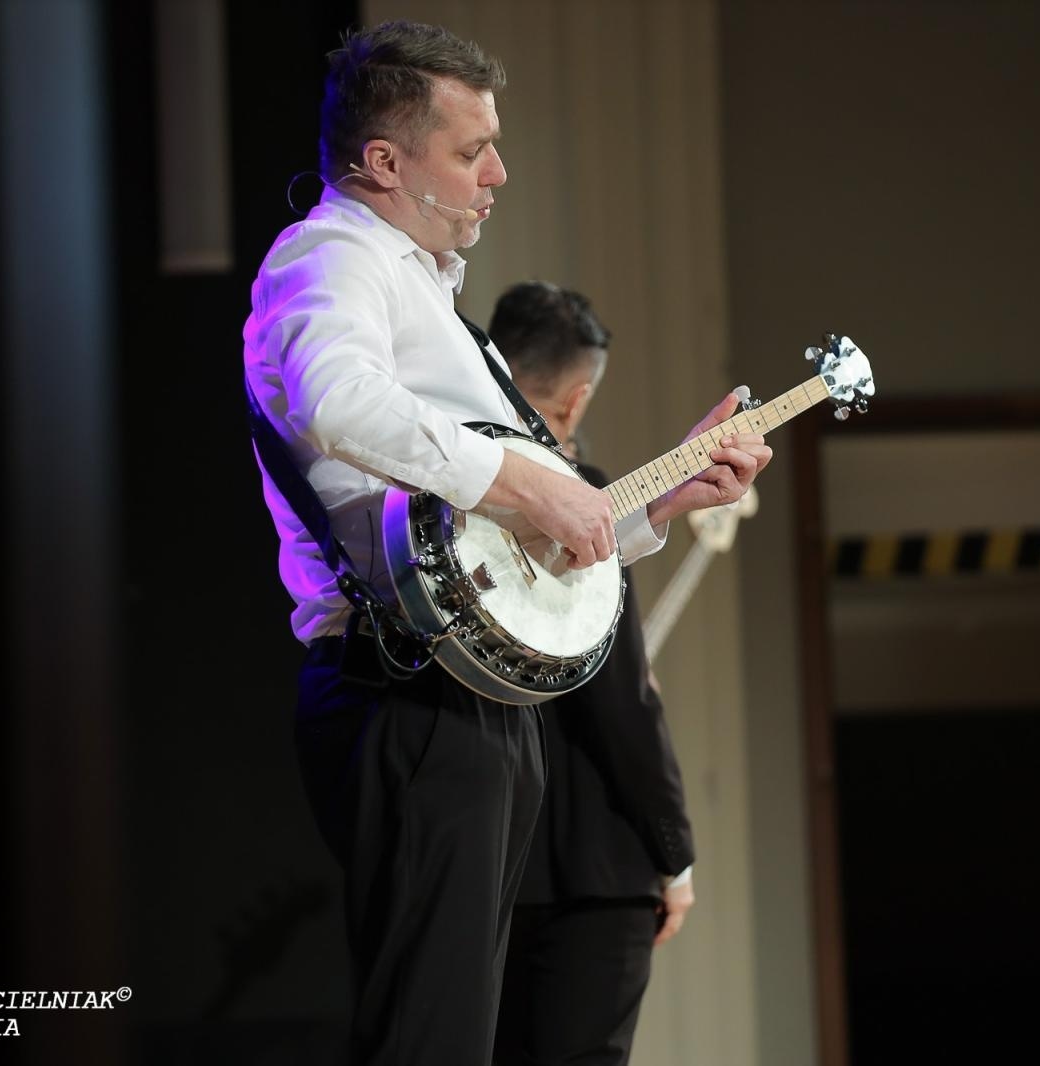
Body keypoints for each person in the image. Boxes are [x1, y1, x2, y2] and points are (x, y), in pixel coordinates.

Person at [242, 21, 771, 1066]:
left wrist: (657, 503)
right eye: (470, 148)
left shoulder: (429, 294)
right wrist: (529, 475)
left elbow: (512, 537)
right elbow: (335, 398)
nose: (499, 171)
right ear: (386, 161)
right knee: (427, 1037)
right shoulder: (332, 255)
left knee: (459, 1037)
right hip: (403, 692)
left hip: (469, 697)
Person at [487, 282, 696, 1066]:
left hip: (486, 866)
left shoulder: (441, 499)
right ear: (575, 402)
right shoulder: (585, 507)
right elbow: (622, 703)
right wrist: (672, 851)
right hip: (594, 871)